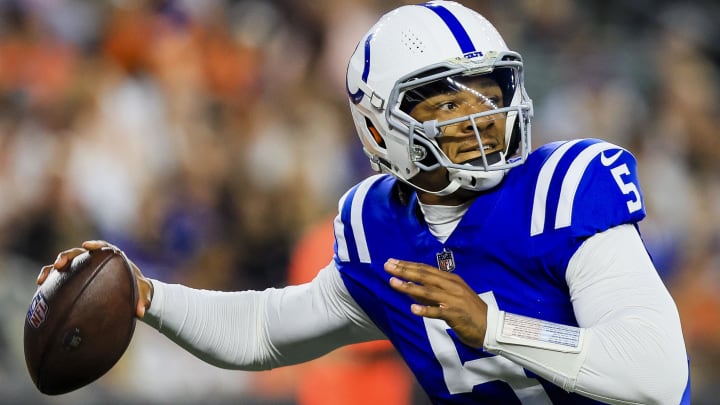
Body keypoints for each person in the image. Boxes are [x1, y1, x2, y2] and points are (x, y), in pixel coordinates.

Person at [38, 1, 691, 403]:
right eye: (445, 100)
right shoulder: (375, 228)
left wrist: (496, 328)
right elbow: (268, 330)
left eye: (489, 90)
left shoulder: (569, 186)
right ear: (380, 126)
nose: (480, 115)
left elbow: (656, 375)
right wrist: (147, 296)